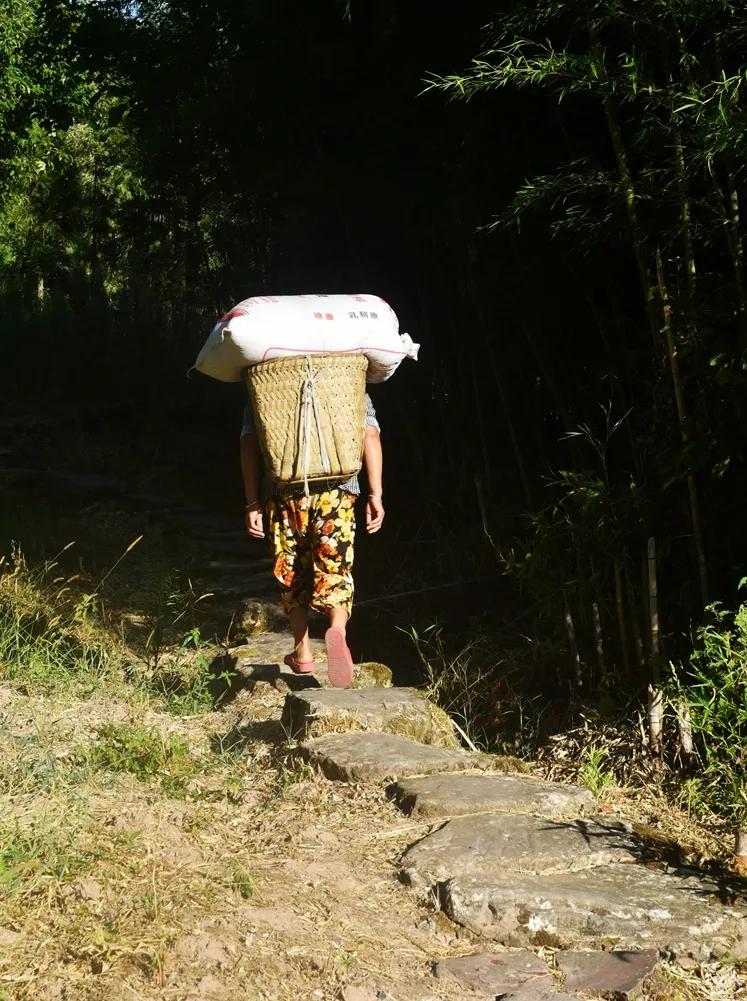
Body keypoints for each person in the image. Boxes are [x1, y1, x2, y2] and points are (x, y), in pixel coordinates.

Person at [240, 390, 384, 688]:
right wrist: (376, 494)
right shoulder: (346, 378)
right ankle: (337, 631)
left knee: (291, 571)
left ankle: (302, 648)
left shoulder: (270, 380)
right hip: (336, 490)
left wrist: (252, 502)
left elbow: (249, 443)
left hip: (282, 491)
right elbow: (370, 435)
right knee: (335, 569)